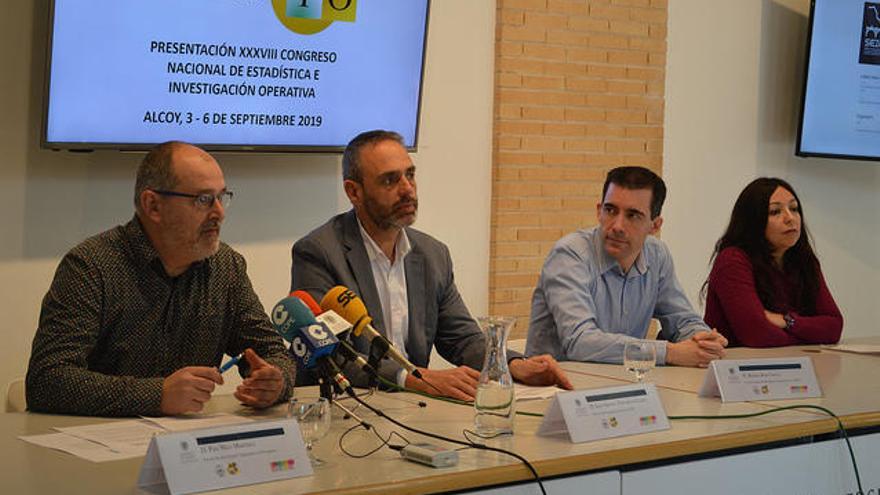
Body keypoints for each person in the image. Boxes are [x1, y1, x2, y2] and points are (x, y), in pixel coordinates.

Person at [291, 130, 572, 401]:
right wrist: (414, 379)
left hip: (414, 408)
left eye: (410, 175)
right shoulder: (319, 252)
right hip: (349, 409)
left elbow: (462, 339)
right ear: (354, 192)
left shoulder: (432, 254)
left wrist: (513, 364)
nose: (407, 190)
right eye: (390, 181)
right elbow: (329, 354)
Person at [26, 141, 295, 417]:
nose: (219, 213)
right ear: (153, 205)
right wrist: (157, 395)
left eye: (222, 197)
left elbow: (274, 352)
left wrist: (275, 382)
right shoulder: (91, 267)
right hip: (92, 445)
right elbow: (47, 381)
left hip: (189, 449)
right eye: (203, 199)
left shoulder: (226, 268)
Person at [526, 166, 727, 366]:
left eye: (633, 215)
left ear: (655, 226)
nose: (618, 226)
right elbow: (580, 341)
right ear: (599, 211)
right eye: (610, 210)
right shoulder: (570, 255)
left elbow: (682, 319)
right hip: (558, 388)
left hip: (621, 385)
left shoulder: (657, 255)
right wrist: (670, 353)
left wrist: (704, 340)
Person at [703, 178, 843, 347]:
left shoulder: (804, 260)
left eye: (794, 208)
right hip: (739, 367)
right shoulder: (732, 261)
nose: (790, 218)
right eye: (775, 212)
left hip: (788, 363)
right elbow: (758, 335)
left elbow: (834, 327)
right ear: (753, 221)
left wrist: (787, 321)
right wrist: (810, 335)